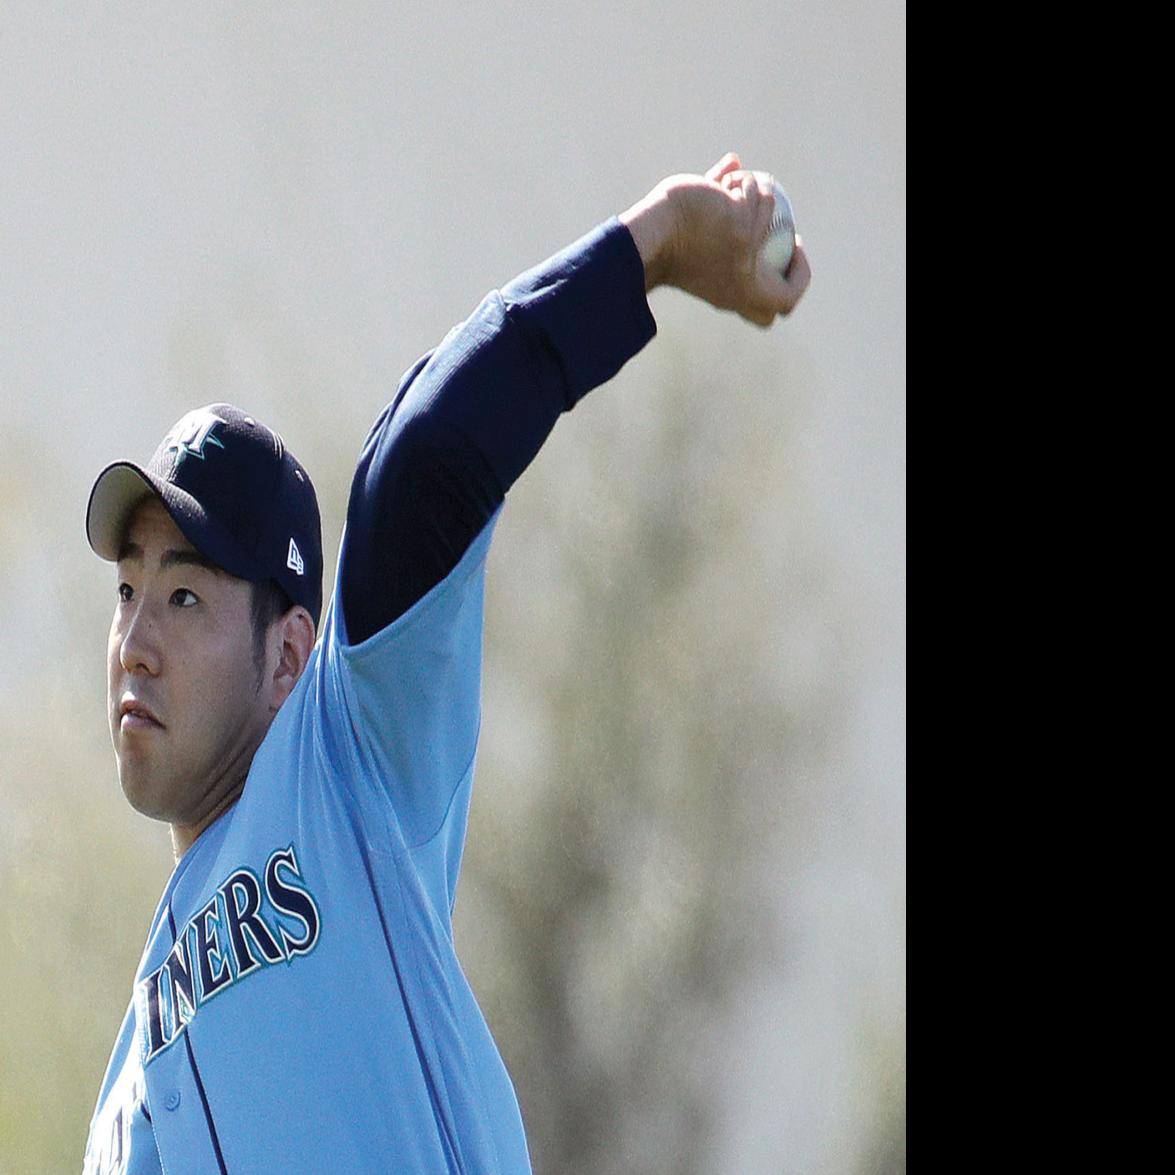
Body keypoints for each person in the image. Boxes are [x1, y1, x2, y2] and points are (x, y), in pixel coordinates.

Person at [81, 153, 811, 1174]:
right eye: (128, 591)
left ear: (288, 651)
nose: (137, 642)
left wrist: (653, 246)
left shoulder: (346, 766)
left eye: (187, 594)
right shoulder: (129, 1075)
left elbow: (422, 459)